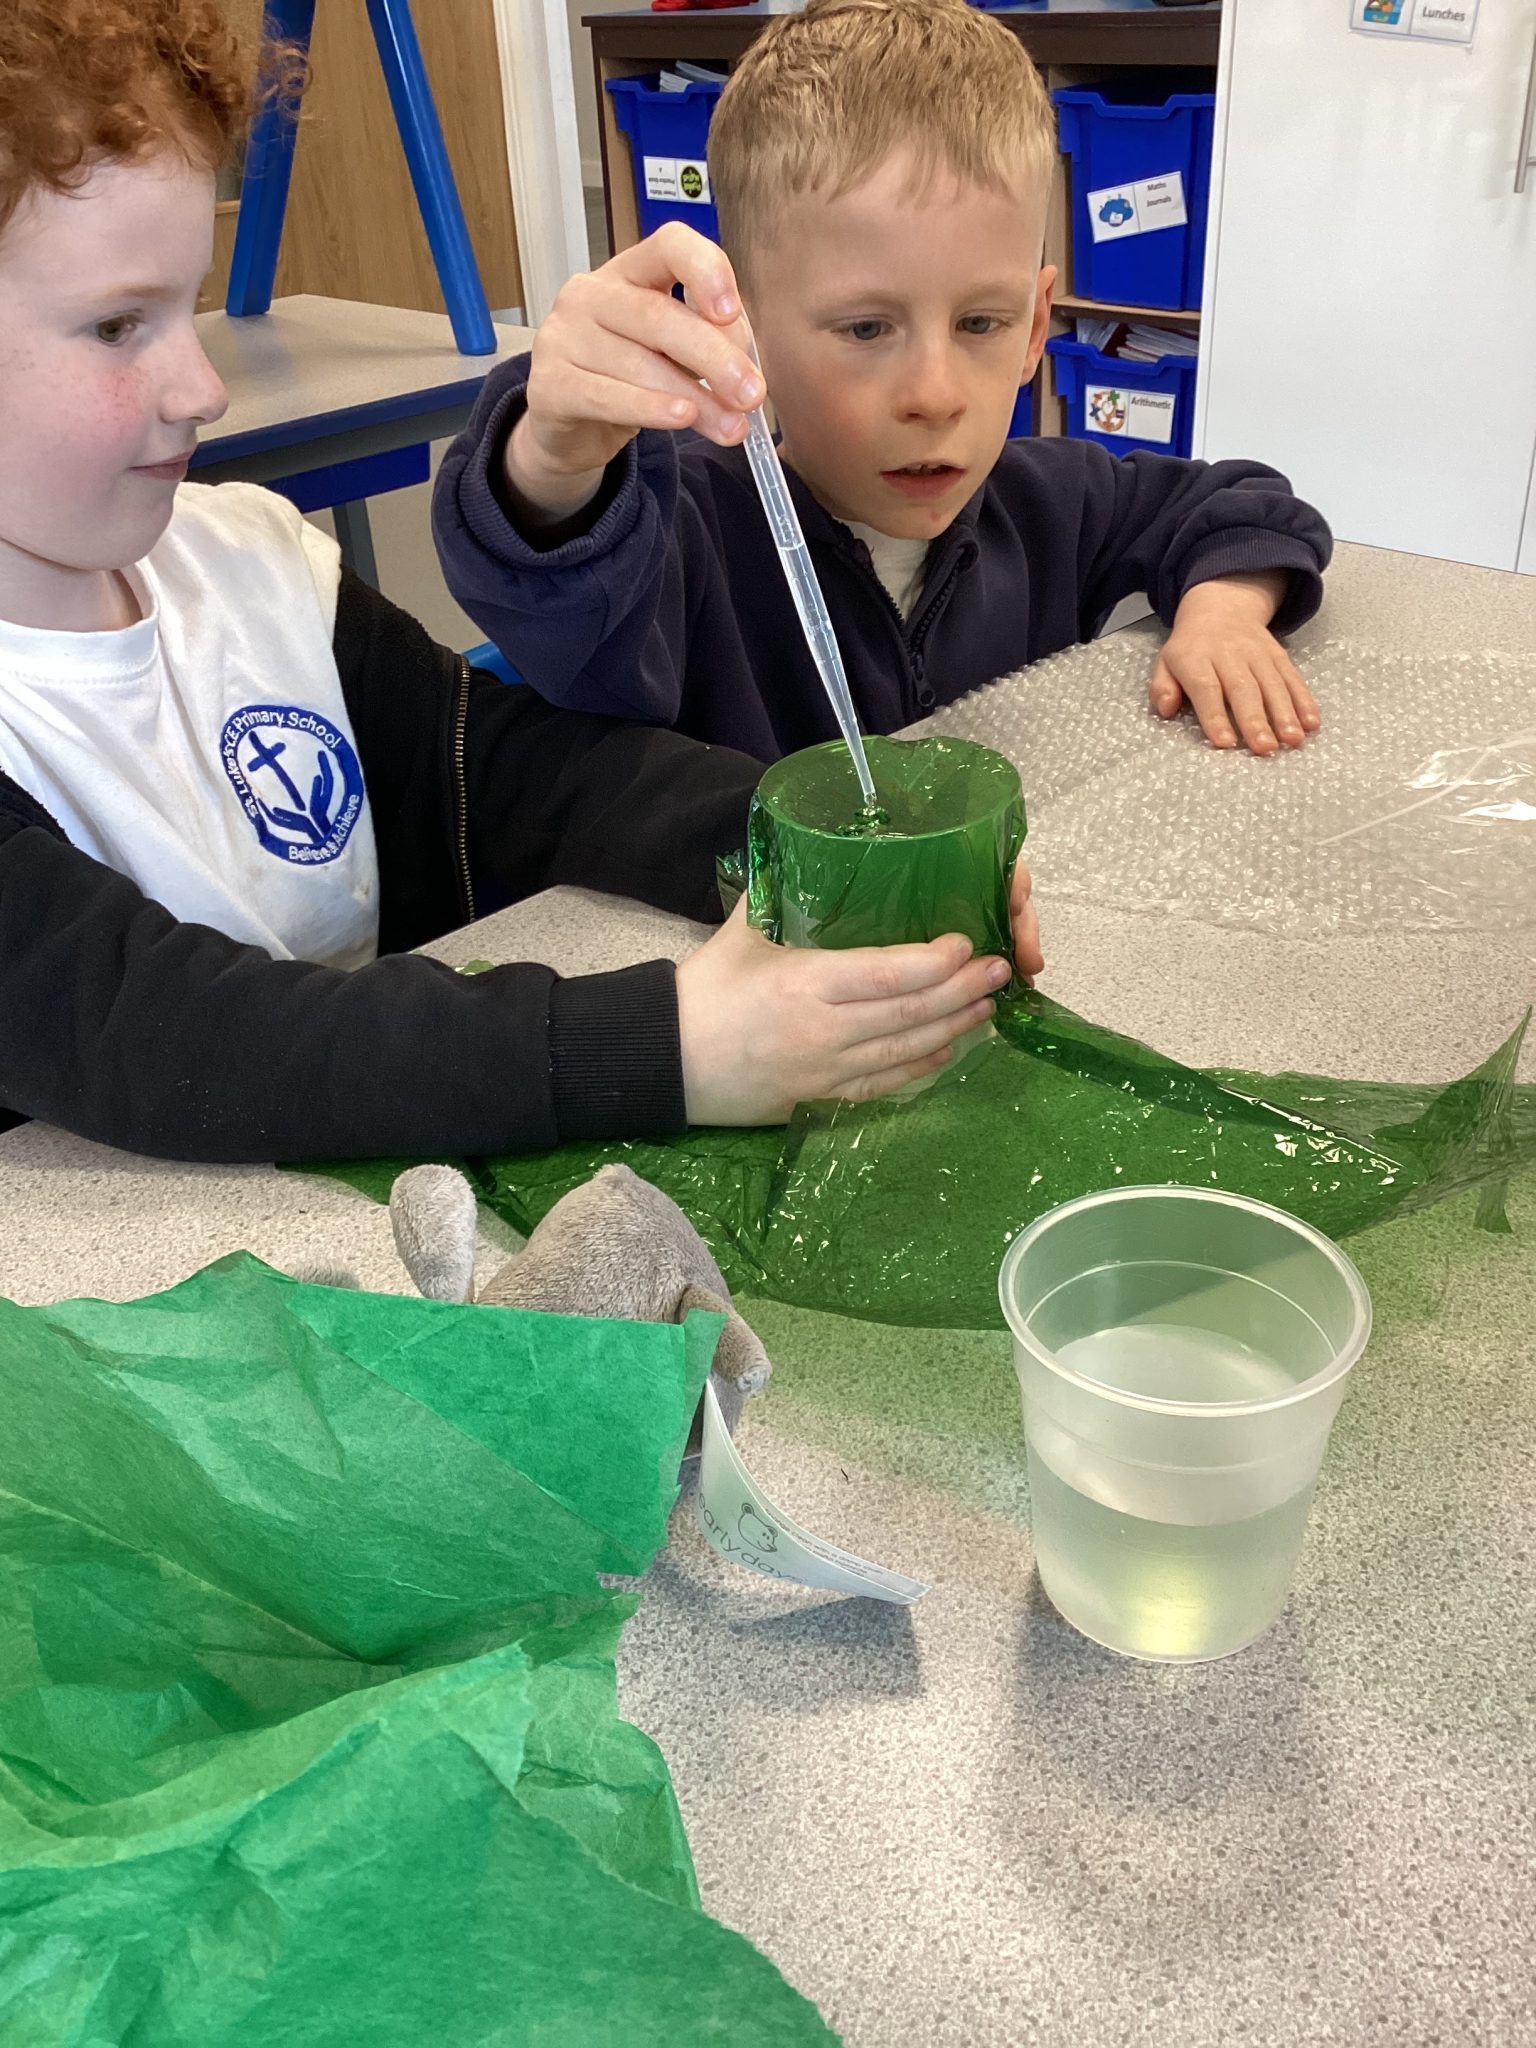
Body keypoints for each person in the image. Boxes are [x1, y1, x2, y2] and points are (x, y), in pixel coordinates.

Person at [0, 0, 1042, 1166]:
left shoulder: (250, 562)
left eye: (186, 308)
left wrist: (818, 851)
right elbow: (185, 1036)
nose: (203, 388)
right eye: (116, 326)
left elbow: (513, 772)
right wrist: (674, 1042)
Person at [434, 0, 1333, 765]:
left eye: (981, 324)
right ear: (740, 327)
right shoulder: (685, 534)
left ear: (1035, 329)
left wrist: (1222, 612)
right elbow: (558, 607)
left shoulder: (1055, 504)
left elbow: (1245, 505)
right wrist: (554, 460)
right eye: (866, 328)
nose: (935, 395)